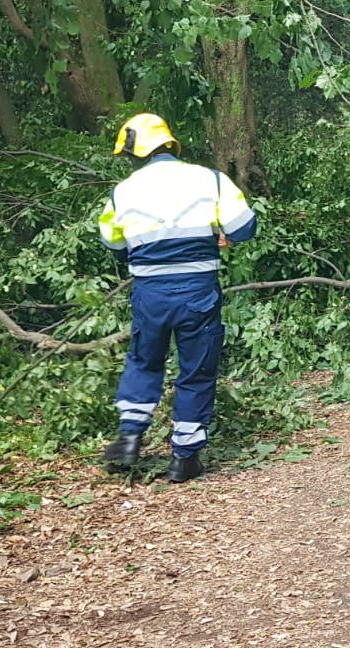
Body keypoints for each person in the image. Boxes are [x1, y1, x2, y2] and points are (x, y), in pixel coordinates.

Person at [96, 113, 257, 482]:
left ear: (136, 152)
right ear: (169, 143)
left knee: (144, 360)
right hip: (198, 291)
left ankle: (130, 435)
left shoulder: (121, 192)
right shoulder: (210, 179)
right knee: (197, 370)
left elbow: (114, 245)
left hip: (150, 293)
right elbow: (244, 226)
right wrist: (218, 234)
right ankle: (184, 458)